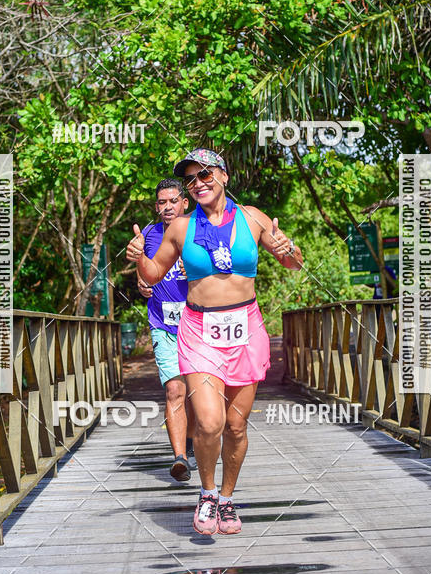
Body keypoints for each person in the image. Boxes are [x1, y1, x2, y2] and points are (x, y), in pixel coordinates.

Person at [126, 148, 303, 536]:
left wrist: (290, 248)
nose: (198, 183)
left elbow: (293, 263)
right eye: (190, 179)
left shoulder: (252, 218)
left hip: (245, 330)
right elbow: (154, 275)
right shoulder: (180, 228)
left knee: (236, 427)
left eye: (205, 175)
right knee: (209, 422)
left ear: (223, 176)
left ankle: (226, 499)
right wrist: (140, 256)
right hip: (199, 332)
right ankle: (206, 492)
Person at [138, 178, 196, 482]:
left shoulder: (199, 230)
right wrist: (141, 280)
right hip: (164, 325)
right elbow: (145, 271)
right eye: (161, 202)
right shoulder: (148, 235)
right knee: (175, 390)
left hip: (200, 324)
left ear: (184, 203)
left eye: (173, 201)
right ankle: (180, 459)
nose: (167, 207)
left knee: (199, 395)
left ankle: (192, 441)